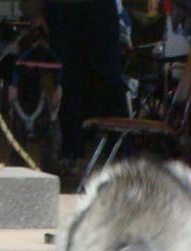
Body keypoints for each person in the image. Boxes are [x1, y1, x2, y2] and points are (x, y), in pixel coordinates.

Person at [25, 0, 128, 169]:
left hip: (98, 10)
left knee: (109, 79)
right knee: (66, 80)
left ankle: (121, 154)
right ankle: (70, 151)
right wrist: (37, 12)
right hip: (62, 9)